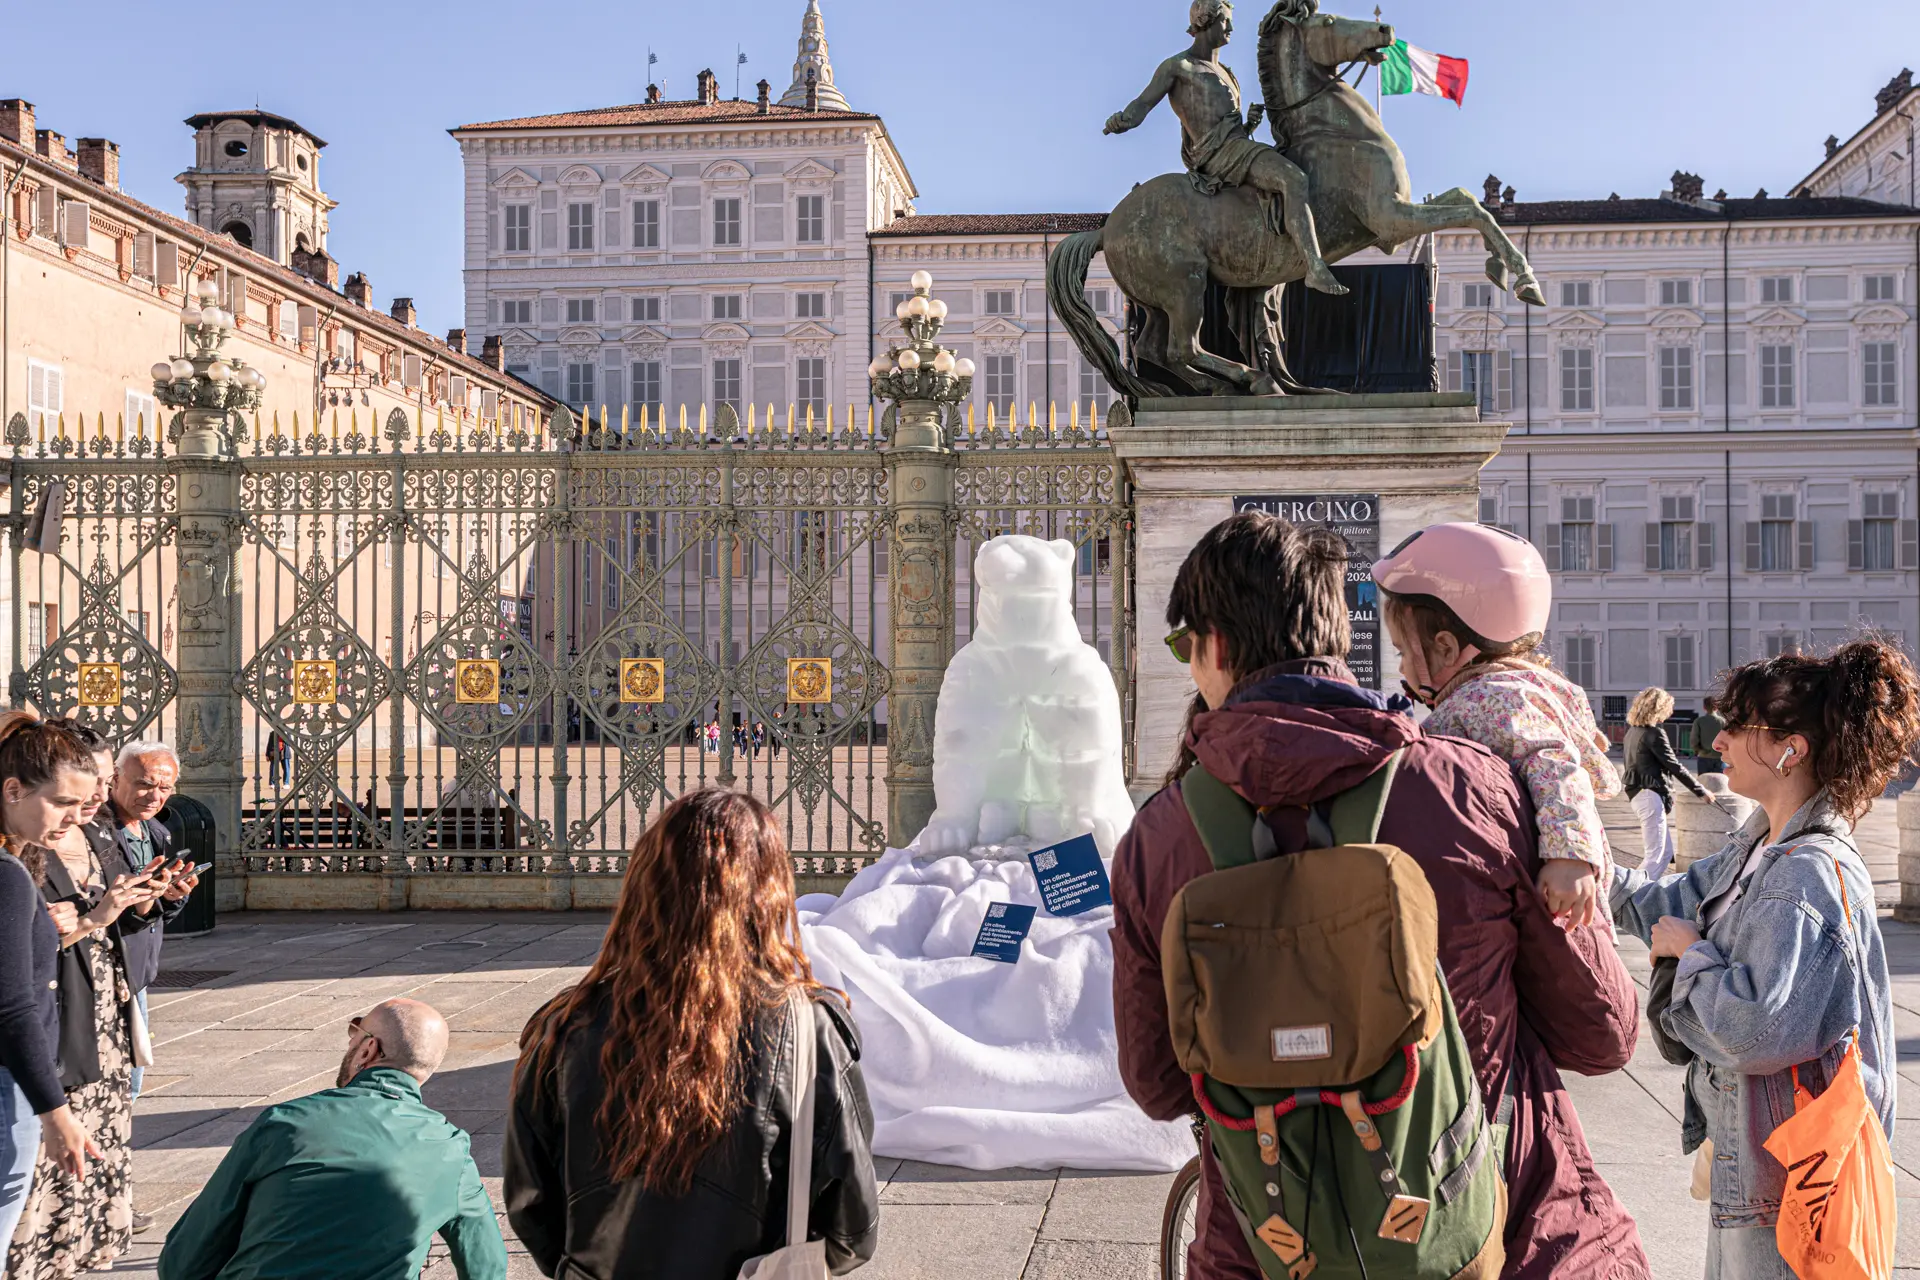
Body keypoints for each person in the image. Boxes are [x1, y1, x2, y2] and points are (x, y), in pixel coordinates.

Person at [1111, 512, 1647, 1280]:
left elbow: (1159, 1085)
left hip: (1270, 1245)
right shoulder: (1472, 787)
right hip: (1501, 1231)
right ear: (1336, 638)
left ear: (1216, 648)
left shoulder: (1158, 840)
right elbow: (1603, 1032)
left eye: (1181, 647)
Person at [1612, 640, 1916, 1278]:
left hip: (1789, 1179)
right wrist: (1576, 863)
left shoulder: (1807, 873)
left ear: (1790, 747)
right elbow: (1668, 901)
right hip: (1754, 1158)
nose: (1717, 742)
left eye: (1737, 726)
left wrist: (1689, 952)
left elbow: (1750, 1029)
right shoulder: (1759, 843)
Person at [505, 789, 879, 1279]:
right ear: (767, 893)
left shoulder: (566, 1026)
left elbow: (531, 1202)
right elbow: (852, 1230)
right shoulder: (808, 1030)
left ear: (645, 884)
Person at [1373, 522, 1622, 926]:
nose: (1400, 666)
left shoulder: (1493, 698)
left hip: (1549, 908)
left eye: (1402, 652)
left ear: (1446, 647)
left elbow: (1553, 761)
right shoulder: (1510, 688)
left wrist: (1568, 856)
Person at [157, 997, 506, 1280]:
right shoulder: (450, 1148)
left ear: (368, 1049)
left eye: (354, 1033)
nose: (351, 1041)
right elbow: (486, 1266)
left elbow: (184, 1262)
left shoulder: (285, 1124)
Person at [9, 718, 161, 1280]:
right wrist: (91, 919)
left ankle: (82, 1244)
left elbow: (109, 908)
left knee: (101, 1124)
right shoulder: (22, 854)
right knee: (46, 1144)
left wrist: (145, 901)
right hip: (57, 1001)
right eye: (83, 787)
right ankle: (34, 1256)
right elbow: (19, 978)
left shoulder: (94, 833)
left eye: (96, 784)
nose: (93, 800)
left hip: (104, 995)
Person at [1103, 0, 1348, 295]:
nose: (1230, 27)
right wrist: (1123, 120)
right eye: (1225, 21)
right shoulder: (1178, 67)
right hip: (1217, 155)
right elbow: (1143, 104)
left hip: (1237, 148)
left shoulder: (1227, 74)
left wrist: (1249, 126)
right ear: (1205, 21)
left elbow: (1227, 126)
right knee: (1293, 178)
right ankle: (1315, 267)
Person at [0, 714, 102, 1252]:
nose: (73, 818)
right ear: (12, 790)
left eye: (82, 805)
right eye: (62, 802)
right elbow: (13, 1007)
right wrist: (56, 1114)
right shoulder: (7, 876)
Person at [105, 740, 194, 1105]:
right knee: (120, 1077)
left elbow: (154, 912)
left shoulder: (156, 832)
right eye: (144, 783)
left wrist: (172, 895)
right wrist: (140, 903)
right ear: (115, 779)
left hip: (138, 967)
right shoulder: (99, 831)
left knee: (133, 1075)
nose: (154, 795)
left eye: (164, 788)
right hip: (106, 966)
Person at [1624, 686, 1709, 878]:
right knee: (1655, 856)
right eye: (1669, 707)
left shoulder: (1632, 732)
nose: (1670, 712)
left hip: (1638, 794)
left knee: (1665, 854)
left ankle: (1641, 892)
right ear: (1659, 708)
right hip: (1649, 794)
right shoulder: (1654, 733)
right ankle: (1631, 894)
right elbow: (1674, 765)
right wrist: (1701, 791)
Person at [1692, 696, 1726, 774]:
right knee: (1720, 783)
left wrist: (1697, 750)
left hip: (1704, 756)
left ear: (1704, 707)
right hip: (1719, 757)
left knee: (1704, 783)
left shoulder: (1699, 721)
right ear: (1717, 707)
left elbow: (1694, 739)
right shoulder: (1723, 722)